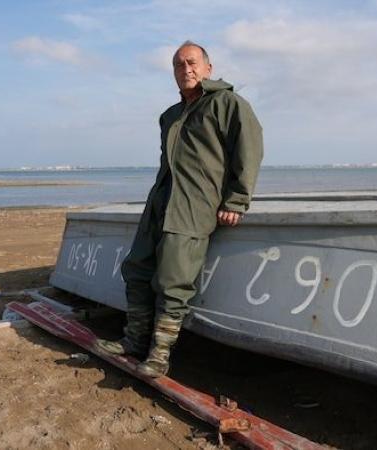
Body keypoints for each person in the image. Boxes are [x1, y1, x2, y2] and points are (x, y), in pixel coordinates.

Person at [96, 40, 263, 377]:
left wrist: (236, 200)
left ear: (208, 68)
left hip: (193, 207)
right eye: (178, 65)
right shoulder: (170, 115)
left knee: (174, 281)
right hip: (160, 202)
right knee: (137, 268)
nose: (186, 70)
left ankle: (158, 356)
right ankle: (134, 341)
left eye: (192, 63)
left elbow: (249, 152)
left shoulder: (229, 104)